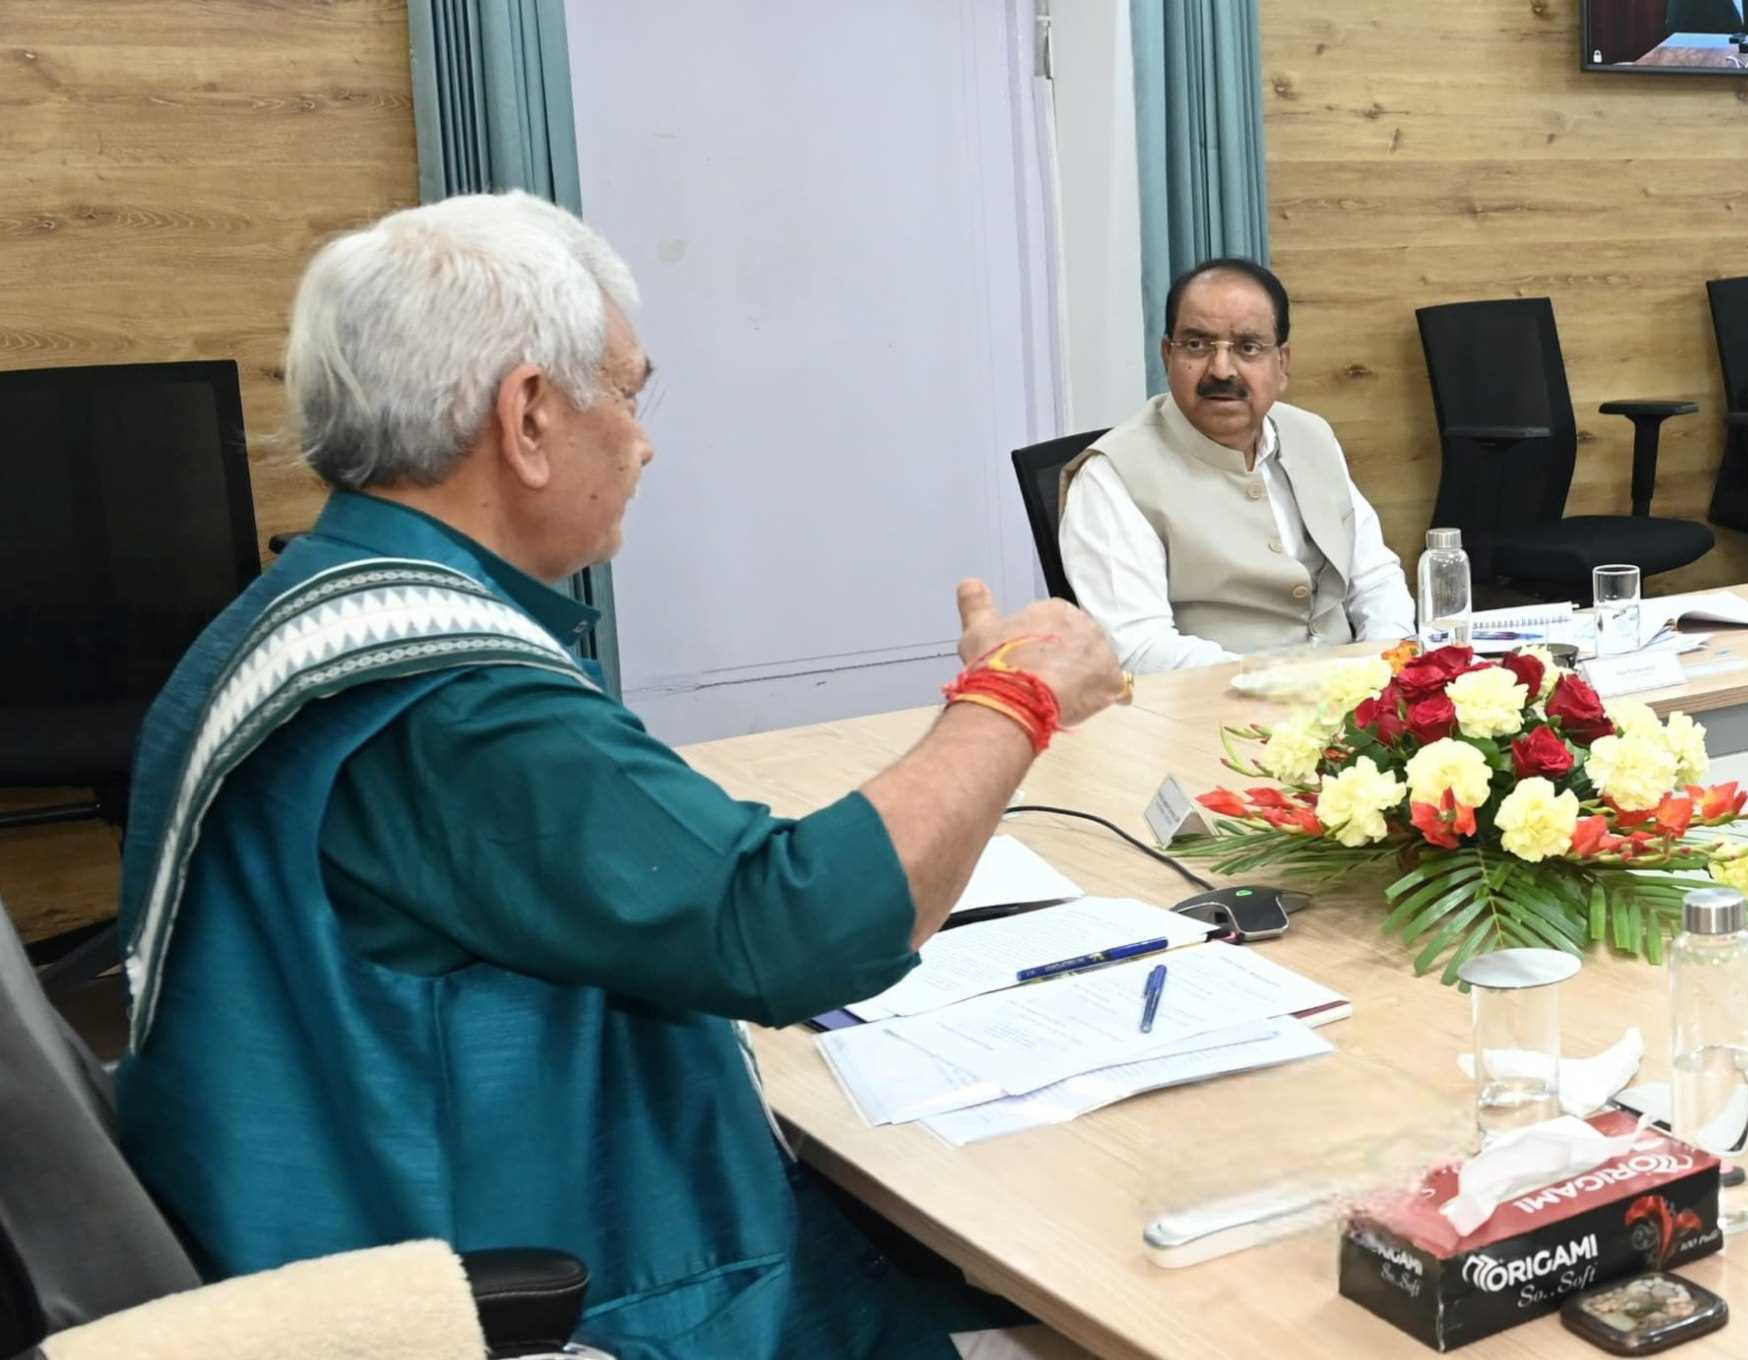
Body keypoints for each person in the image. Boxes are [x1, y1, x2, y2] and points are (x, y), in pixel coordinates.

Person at [111, 193, 1124, 1359]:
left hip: (357, 1200)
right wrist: (1014, 695)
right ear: (529, 416)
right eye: (630, 394)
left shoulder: (311, 604)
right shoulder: (454, 703)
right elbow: (788, 930)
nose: (643, 442)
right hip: (512, 1289)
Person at [1058, 258, 1414, 675]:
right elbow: (1137, 648)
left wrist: (1389, 665)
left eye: (1248, 347)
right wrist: (1289, 684)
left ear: (1282, 363)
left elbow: (1374, 577)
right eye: (1197, 345)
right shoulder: (1112, 476)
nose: (1221, 370)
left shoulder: (1311, 435)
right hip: (1209, 706)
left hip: (1350, 694)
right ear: (1167, 355)